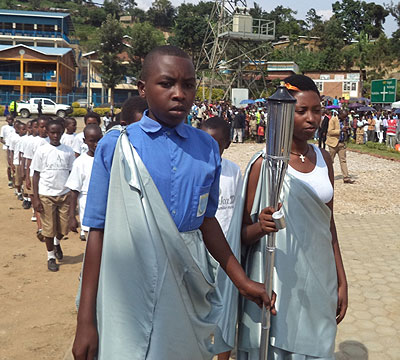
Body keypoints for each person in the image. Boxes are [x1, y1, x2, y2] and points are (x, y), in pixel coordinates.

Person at [72, 45, 271, 360]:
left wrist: (241, 280)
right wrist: (86, 320)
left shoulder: (206, 148)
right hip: (127, 281)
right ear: (143, 88)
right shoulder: (118, 145)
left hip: (186, 280)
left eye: (188, 85)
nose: (179, 93)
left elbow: (206, 221)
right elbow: (98, 230)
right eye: (167, 83)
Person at [237, 74, 348, 360]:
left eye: (317, 110)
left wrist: (341, 279)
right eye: (301, 111)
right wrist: (260, 227)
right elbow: (241, 235)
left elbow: (328, 225)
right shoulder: (264, 165)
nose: (311, 118)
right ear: (284, 112)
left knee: (319, 345)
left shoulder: (324, 159)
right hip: (280, 281)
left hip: (319, 280)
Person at [201, 117, 242, 360]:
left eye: (215, 143)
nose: (208, 147)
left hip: (226, 253)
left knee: (225, 310)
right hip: (199, 253)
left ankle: (223, 356)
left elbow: (237, 210)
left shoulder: (233, 171)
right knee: (200, 307)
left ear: (226, 144)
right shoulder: (193, 169)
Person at [31, 118, 75, 271]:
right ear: (47, 133)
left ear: (62, 132)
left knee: (64, 228)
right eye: (52, 133)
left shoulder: (68, 151)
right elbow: (36, 175)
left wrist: (72, 193)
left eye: (58, 132)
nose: (55, 136)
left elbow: (71, 173)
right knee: (48, 229)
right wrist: (35, 197)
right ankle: (50, 256)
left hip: (64, 194)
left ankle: (57, 243)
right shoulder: (42, 150)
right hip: (46, 194)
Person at [66, 125, 103, 241]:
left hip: (107, 209)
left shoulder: (107, 158)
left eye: (99, 140)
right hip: (88, 208)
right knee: (91, 244)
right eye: (92, 141)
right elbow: (74, 191)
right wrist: (72, 216)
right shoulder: (80, 162)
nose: (96, 144)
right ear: (84, 141)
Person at [326, 110, 355, 184]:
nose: (345, 118)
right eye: (344, 116)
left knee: (343, 161)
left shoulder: (345, 121)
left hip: (342, 143)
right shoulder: (333, 120)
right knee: (330, 161)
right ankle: (326, 176)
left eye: (346, 117)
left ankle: (346, 177)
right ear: (340, 114)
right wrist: (340, 130)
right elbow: (330, 131)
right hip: (333, 143)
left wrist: (347, 130)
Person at [9, 122, 27, 200]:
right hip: (16, 161)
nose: (24, 131)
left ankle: (24, 193)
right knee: (17, 179)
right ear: (18, 130)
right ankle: (18, 191)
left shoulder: (27, 138)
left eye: (25, 129)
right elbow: (11, 151)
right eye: (22, 129)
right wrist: (11, 162)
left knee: (24, 179)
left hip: (24, 161)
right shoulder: (14, 138)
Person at [1, 115, 15, 188]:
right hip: (7, 148)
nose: (10, 121)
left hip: (15, 149)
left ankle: (15, 180)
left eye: (11, 119)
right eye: (8, 119)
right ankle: (10, 180)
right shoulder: (4, 128)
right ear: (6, 120)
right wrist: (7, 144)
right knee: (9, 165)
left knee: (15, 164)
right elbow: (1, 139)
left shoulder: (16, 127)